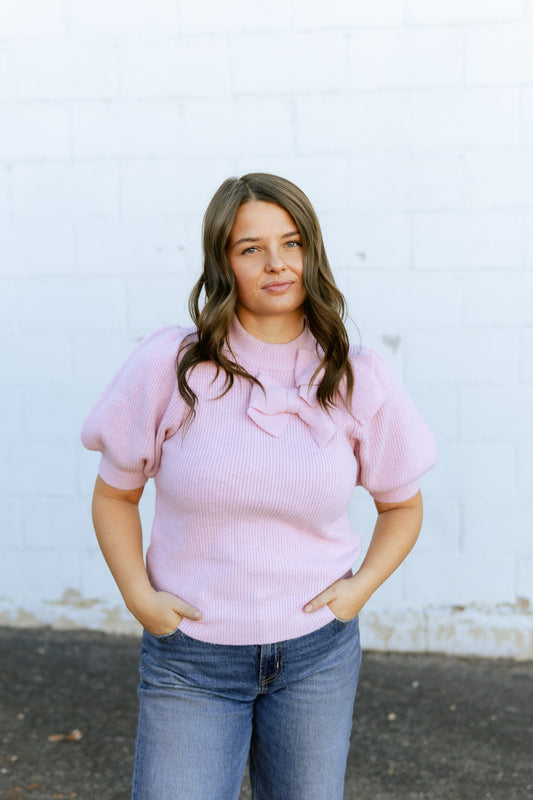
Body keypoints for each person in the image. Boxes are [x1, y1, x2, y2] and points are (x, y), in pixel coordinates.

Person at [81, 173, 437, 800]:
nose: (276, 264)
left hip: (316, 658)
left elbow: (402, 506)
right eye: (251, 248)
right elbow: (115, 494)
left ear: (312, 251)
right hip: (191, 658)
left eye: (291, 242)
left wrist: (356, 593)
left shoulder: (356, 376)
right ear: (224, 262)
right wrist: (140, 598)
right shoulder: (173, 366)